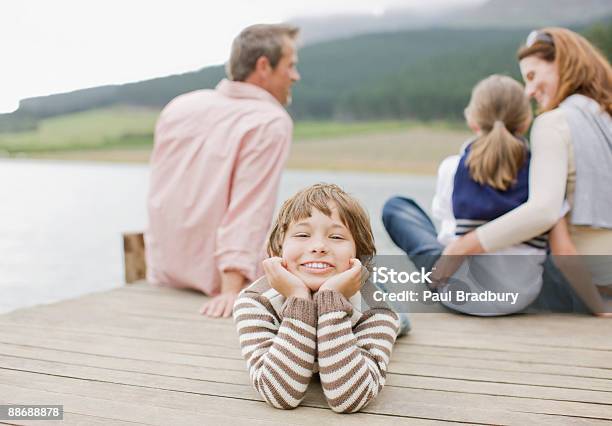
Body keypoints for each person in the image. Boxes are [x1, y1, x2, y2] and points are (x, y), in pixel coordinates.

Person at [386, 28, 612, 315]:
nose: (529, 91)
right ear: (522, 122)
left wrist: (460, 248)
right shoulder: (603, 117)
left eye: (531, 76)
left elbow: (543, 211)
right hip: (559, 285)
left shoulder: (553, 123)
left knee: (398, 209)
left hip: (570, 280)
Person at [145, 24, 300, 318]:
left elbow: (160, 197)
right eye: (290, 66)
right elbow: (249, 209)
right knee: (343, 260)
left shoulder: (179, 107)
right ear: (264, 66)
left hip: (166, 274)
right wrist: (232, 288)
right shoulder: (268, 121)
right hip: (221, 281)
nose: (295, 76)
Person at [233, 183, 401, 413]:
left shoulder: (376, 309)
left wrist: (331, 298)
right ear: (277, 248)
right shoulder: (255, 301)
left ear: (358, 254)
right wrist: (298, 298)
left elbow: (350, 398)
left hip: (366, 297)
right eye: (302, 234)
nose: (319, 246)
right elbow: (280, 394)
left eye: (336, 236)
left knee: (400, 318)